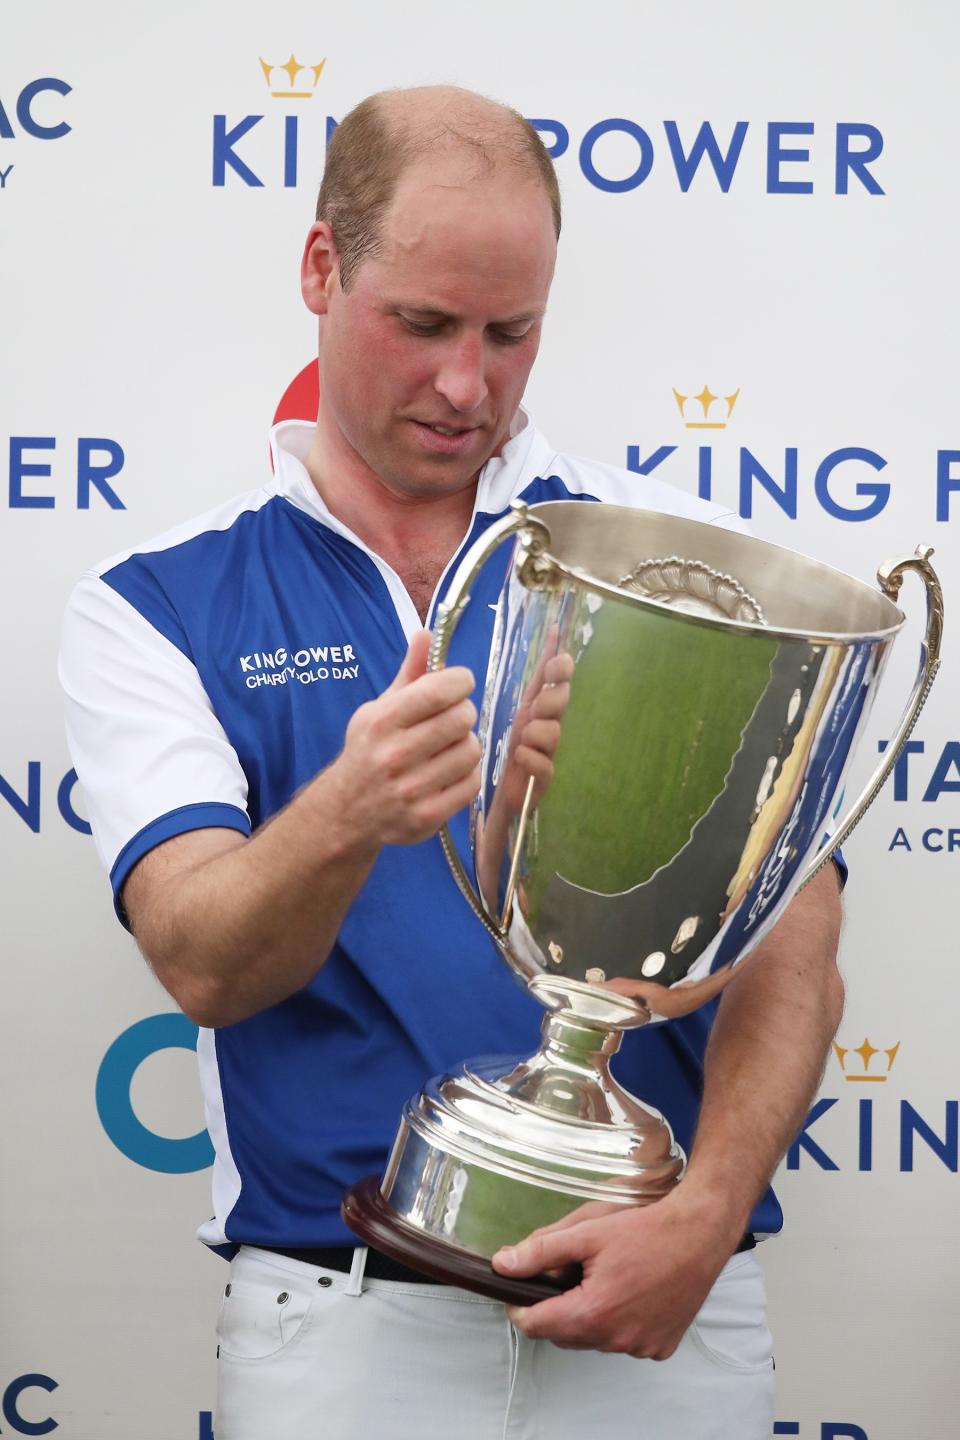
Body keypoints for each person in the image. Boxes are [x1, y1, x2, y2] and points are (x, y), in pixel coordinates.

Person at [60, 85, 844, 1439]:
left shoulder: (674, 569)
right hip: (344, 1328)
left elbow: (792, 941)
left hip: (665, 1309)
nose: (466, 383)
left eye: (510, 332)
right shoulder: (159, 604)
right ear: (322, 269)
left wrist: (706, 1220)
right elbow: (204, 960)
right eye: (421, 324)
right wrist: (349, 814)